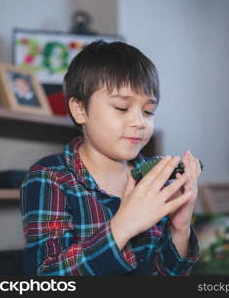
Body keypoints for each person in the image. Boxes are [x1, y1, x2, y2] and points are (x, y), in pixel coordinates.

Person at [20, 40, 202, 276]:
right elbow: (46, 276)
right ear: (80, 110)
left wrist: (180, 227)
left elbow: (166, 274)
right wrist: (123, 226)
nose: (139, 122)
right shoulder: (49, 177)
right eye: (121, 107)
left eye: (148, 111)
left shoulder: (154, 180)